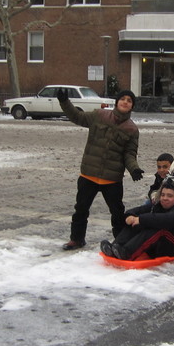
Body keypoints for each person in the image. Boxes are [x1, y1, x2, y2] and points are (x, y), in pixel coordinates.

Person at [58, 89, 144, 250]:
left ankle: (120, 242)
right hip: (89, 175)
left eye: (129, 100)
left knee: (118, 213)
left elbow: (129, 154)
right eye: (122, 99)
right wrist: (64, 102)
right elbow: (77, 117)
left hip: (112, 179)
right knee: (81, 210)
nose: (125, 102)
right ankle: (76, 239)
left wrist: (134, 169)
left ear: (132, 106)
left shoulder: (132, 129)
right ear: (117, 101)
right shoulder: (99, 115)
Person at [100, 176, 174, 260]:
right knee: (136, 222)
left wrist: (140, 219)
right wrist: (130, 217)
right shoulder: (158, 206)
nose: (165, 198)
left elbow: (167, 219)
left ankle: (127, 253)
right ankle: (115, 247)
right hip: (159, 246)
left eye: (170, 196)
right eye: (163, 195)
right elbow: (136, 210)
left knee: (158, 228)